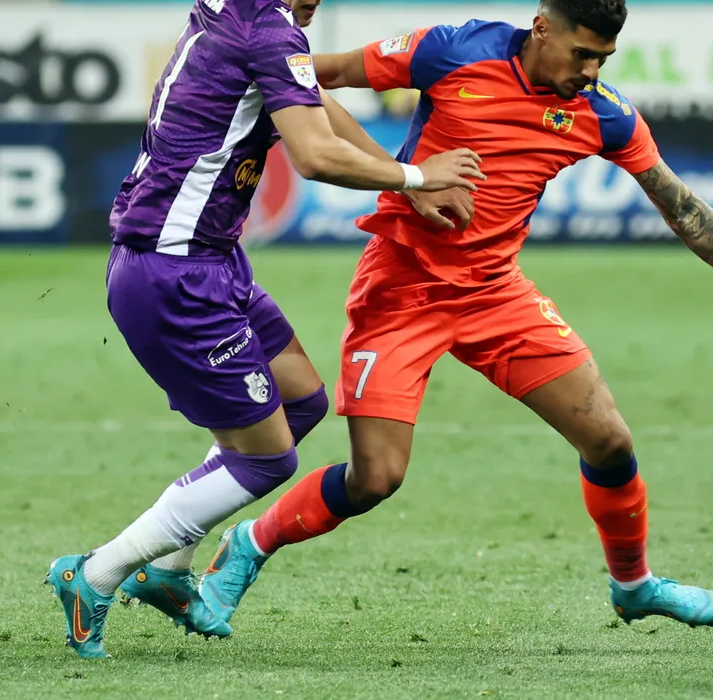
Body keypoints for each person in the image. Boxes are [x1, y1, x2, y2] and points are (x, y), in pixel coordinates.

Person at [197, 0, 713, 633]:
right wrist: (402, 178)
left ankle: (634, 586)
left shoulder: (603, 113)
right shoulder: (454, 50)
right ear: (542, 28)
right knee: (375, 479)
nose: (591, 71)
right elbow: (307, 75)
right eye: (583, 54)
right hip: (401, 290)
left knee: (609, 440)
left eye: (603, 59)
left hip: (496, 293)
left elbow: (680, 205)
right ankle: (251, 542)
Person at [43, 0, 484, 660]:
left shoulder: (244, 15)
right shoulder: (267, 28)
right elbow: (314, 155)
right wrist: (418, 174)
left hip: (212, 261)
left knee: (302, 400)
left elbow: (315, 106)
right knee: (268, 458)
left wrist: (403, 188)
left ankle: (167, 570)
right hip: (173, 275)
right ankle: (96, 575)